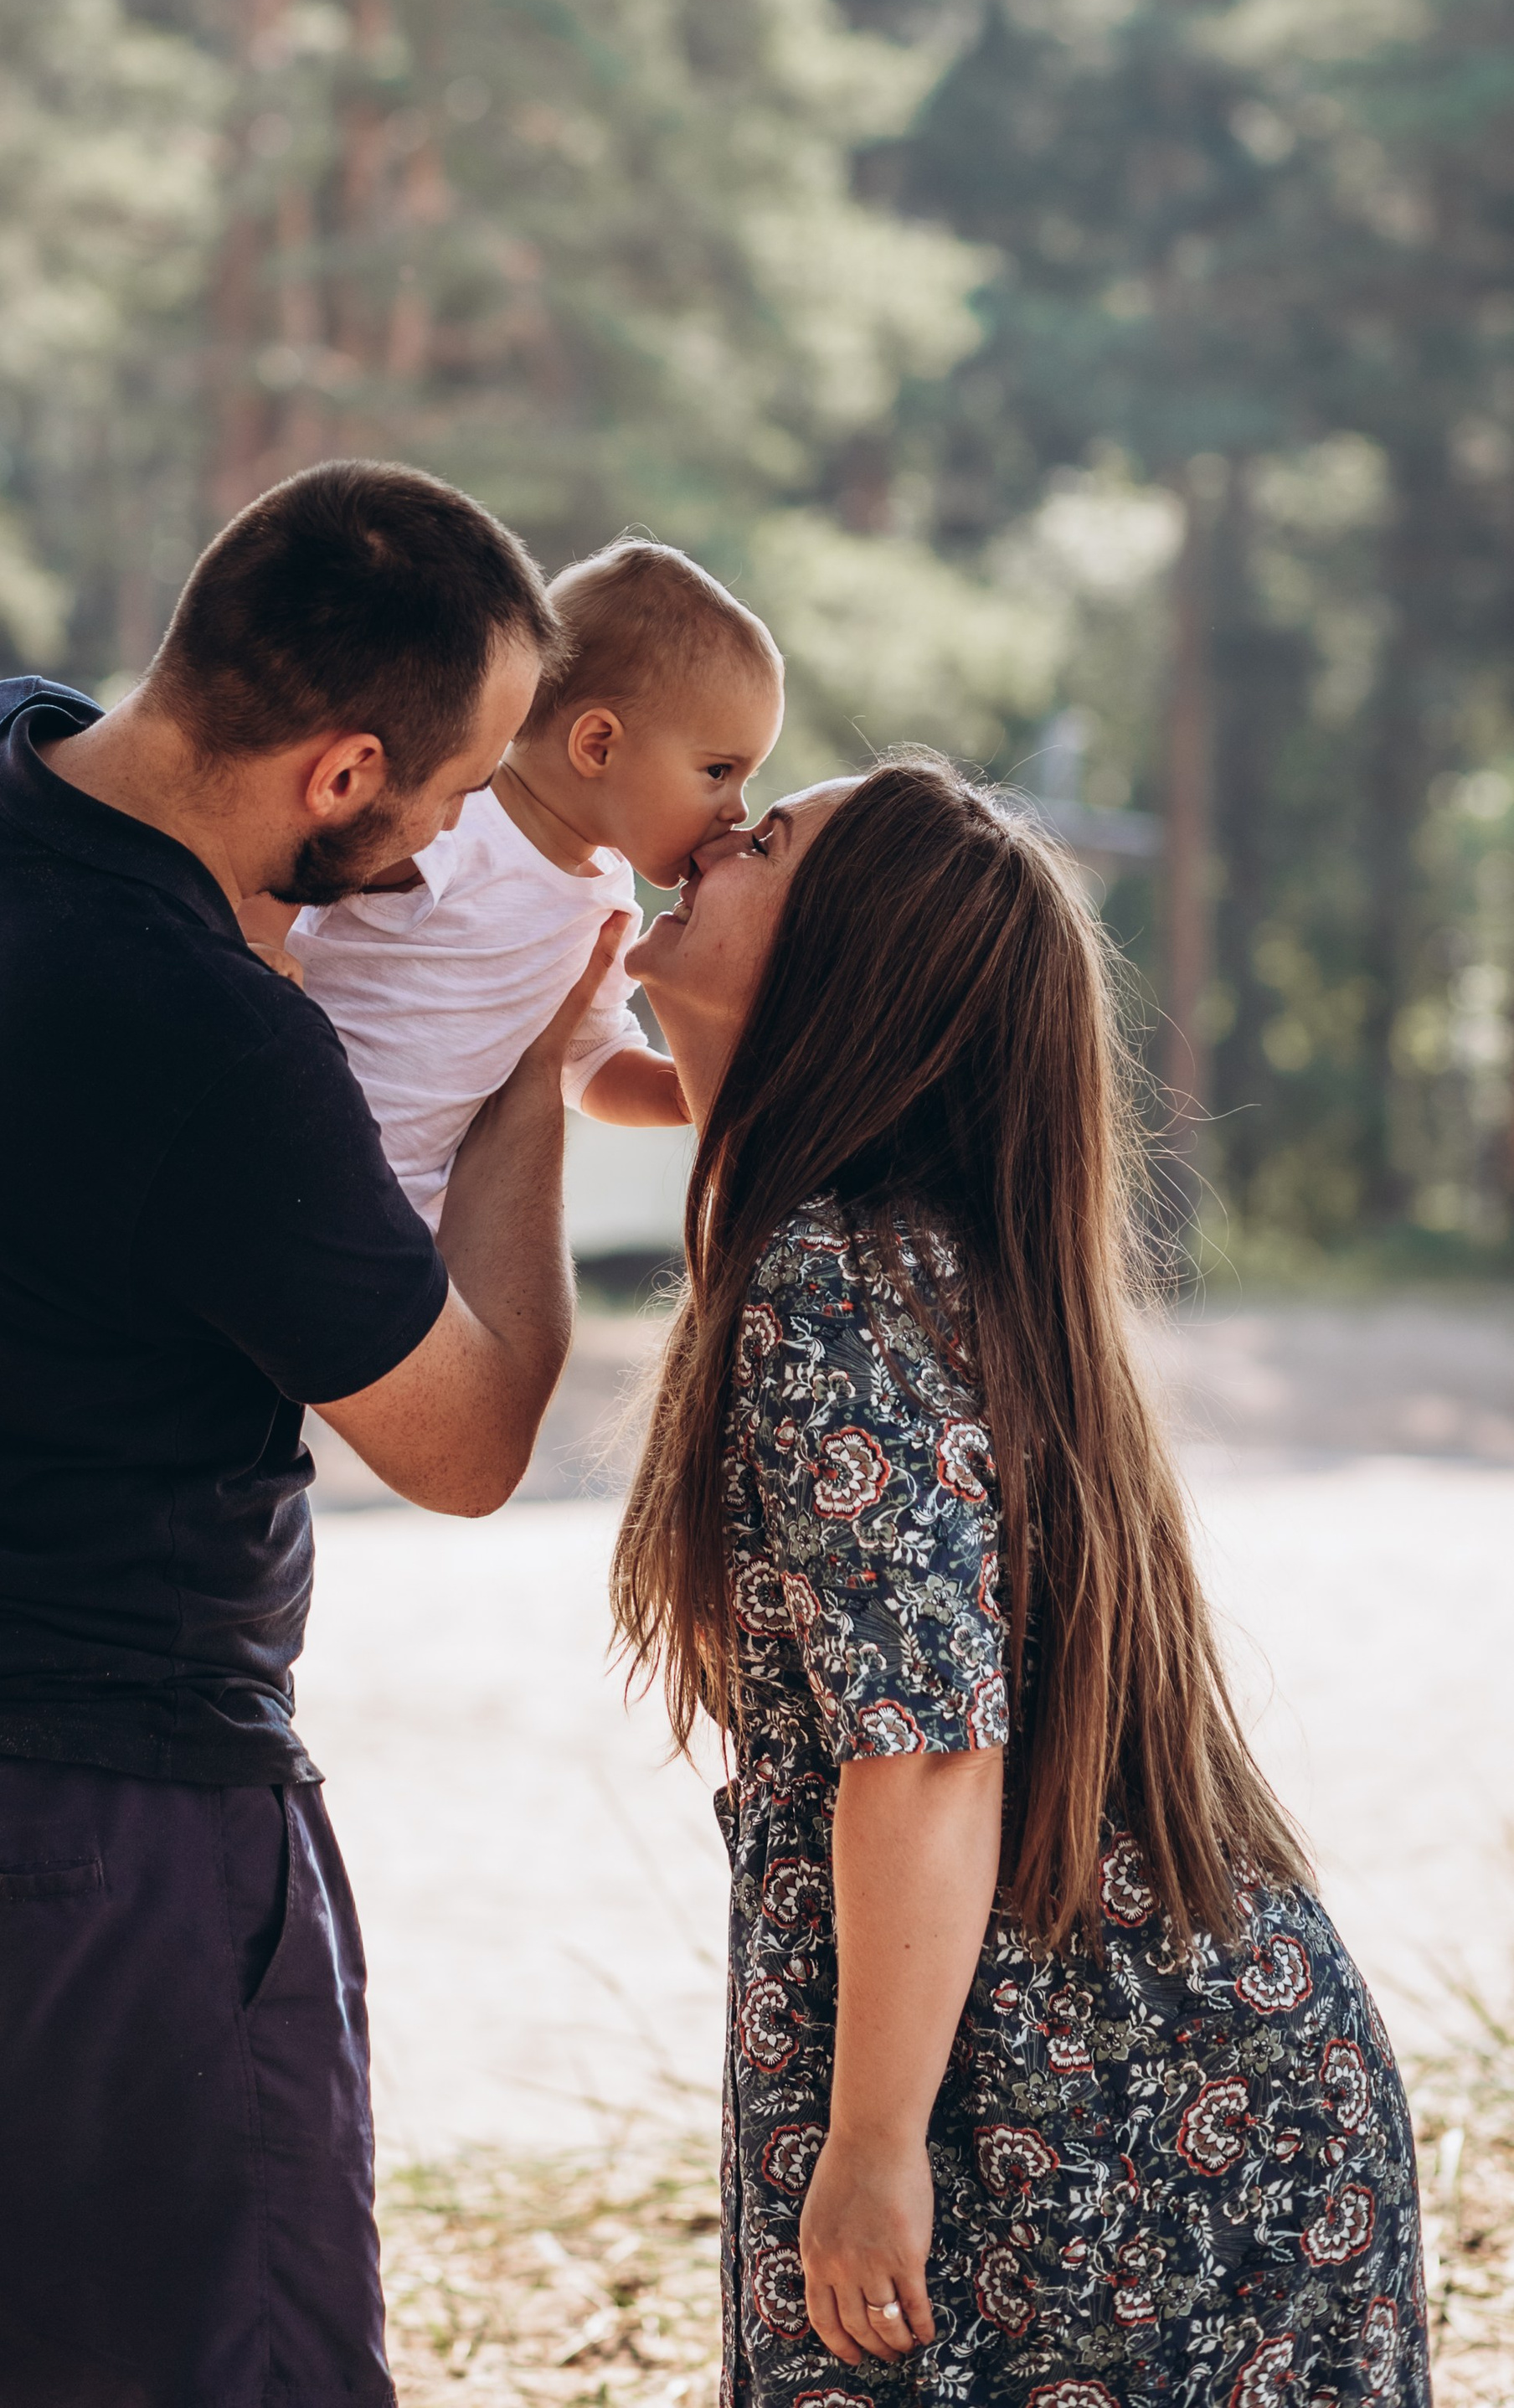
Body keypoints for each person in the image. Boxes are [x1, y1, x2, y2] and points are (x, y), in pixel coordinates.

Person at [0, 459, 623, 2408]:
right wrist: (528, 1075)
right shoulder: (211, 1048)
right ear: (340, 772)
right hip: (60, 1835)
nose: (459, 843)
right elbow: (462, 1441)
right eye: (459, 790)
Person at [610, 755, 1428, 2406]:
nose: (706, 845)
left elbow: (925, 1749)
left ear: (842, 968)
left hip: (1072, 2115)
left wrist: (866, 2147)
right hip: (1163, 2071)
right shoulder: (912, 1251)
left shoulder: (831, 1275)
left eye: (763, 840)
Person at [260, 539, 785, 1226]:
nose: (738, 809)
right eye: (719, 771)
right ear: (597, 744)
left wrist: (684, 1093)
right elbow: (293, 857)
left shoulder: (604, 902)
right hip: (281, 1145)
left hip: (398, 1219)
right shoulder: (454, 820)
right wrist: (258, 944)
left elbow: (589, 1057)